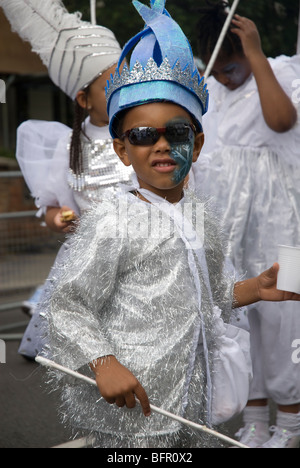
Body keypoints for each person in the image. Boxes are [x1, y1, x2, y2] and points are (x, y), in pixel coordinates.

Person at [40, 0, 300, 449]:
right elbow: (67, 303)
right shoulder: (111, 220)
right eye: (143, 135)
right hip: (134, 410)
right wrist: (104, 363)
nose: (161, 145)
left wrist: (255, 289)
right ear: (123, 150)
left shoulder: (201, 215)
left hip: (189, 407)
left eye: (176, 133)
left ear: (196, 145)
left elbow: (211, 291)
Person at [0, 0, 133, 358]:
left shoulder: (143, 131)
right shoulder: (69, 146)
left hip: (143, 257)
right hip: (91, 267)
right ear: (83, 98)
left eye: (127, 79)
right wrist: (58, 218)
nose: (123, 91)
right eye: (112, 85)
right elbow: (52, 209)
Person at [195, 0, 300, 448]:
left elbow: (282, 121)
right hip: (229, 223)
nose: (223, 76)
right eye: (215, 68)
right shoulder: (213, 90)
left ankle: (291, 424)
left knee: (286, 315)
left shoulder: (279, 72)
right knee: (240, 314)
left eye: (231, 66)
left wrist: (255, 56)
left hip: (286, 226)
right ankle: (255, 418)